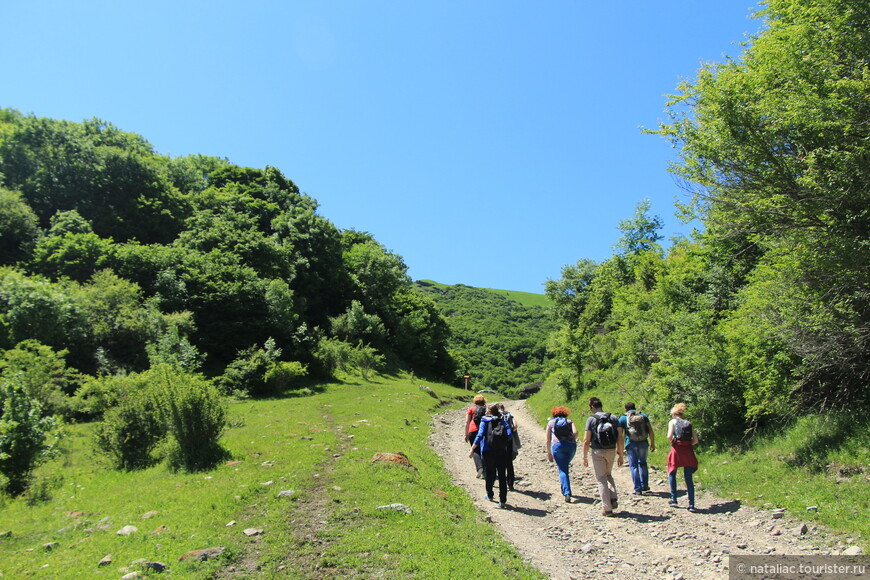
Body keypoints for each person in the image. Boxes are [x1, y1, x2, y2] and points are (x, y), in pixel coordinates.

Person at [582, 396, 624, 516]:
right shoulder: (614, 417)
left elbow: (586, 440)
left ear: (592, 407)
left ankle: (607, 508)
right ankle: (613, 497)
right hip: (611, 450)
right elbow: (620, 437)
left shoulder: (591, 419)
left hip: (597, 451)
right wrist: (621, 454)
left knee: (601, 478)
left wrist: (584, 457)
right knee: (608, 474)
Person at [469, 404, 512, 507]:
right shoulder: (502, 420)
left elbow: (480, 435)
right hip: (501, 451)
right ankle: (502, 500)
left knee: (489, 472)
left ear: (489, 411)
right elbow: (509, 434)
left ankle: (490, 494)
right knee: (502, 475)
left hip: (488, 451)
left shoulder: (485, 421)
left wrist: (472, 448)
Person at [666, 402, 699, 512]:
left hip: (676, 450)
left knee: (672, 472)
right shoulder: (688, 423)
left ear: (673, 413)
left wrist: (674, 442)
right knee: (688, 478)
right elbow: (695, 440)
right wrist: (688, 444)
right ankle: (691, 504)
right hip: (688, 450)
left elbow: (669, 436)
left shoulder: (672, 422)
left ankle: (674, 499)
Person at [618, 402, 656, 495]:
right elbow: (650, 430)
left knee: (634, 465)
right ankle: (645, 485)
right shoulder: (643, 415)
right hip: (643, 443)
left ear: (625, 409)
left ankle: (638, 489)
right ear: (635, 408)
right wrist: (652, 443)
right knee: (643, 463)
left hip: (631, 444)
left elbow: (620, 435)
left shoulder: (623, 418)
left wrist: (619, 448)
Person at [546, 406, 578, 503]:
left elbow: (547, 440)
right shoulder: (569, 421)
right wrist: (570, 439)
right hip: (571, 446)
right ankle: (564, 488)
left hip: (557, 447)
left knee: (562, 469)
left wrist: (549, 453)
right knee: (565, 466)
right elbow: (576, 433)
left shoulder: (551, 423)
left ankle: (567, 492)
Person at [497, 402, 519, 490]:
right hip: (508, 440)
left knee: (499, 462)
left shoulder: (496, 415)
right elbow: (515, 426)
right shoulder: (509, 415)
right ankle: (510, 483)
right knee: (509, 462)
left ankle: (501, 483)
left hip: (498, 441)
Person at [464, 394, 487, 478]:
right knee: (484, 450)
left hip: (473, 430)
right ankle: (485, 471)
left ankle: (479, 467)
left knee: (475, 450)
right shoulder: (486, 409)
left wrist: (466, 434)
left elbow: (467, 422)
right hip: (484, 431)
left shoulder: (471, 409)